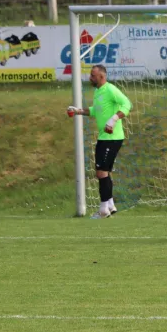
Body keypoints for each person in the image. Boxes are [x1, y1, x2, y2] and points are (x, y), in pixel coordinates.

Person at [67, 64, 132, 219]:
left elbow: (127, 104)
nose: (90, 77)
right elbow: (95, 110)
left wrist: (114, 119)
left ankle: (103, 209)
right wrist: (78, 111)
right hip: (104, 138)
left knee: (101, 172)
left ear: (102, 76)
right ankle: (110, 204)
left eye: (93, 75)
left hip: (112, 137)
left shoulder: (110, 89)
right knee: (104, 173)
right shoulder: (98, 91)